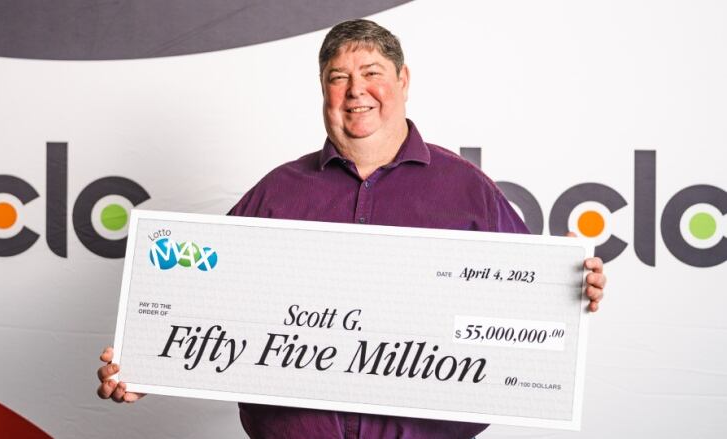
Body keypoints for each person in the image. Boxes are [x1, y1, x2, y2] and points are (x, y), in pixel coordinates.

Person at [97, 18, 606, 438]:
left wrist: (567, 283)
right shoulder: (278, 192)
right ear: (324, 91)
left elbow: (530, 312)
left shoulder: (467, 190)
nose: (355, 90)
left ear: (403, 81)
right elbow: (200, 301)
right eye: (338, 78)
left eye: (371, 72)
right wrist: (144, 366)